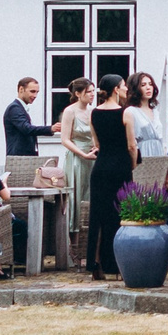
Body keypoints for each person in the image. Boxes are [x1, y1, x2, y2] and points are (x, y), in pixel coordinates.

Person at [84, 76, 132, 280]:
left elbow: (97, 143)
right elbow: (131, 145)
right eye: (123, 86)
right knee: (122, 215)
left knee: (98, 216)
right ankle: (120, 266)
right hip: (120, 166)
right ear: (115, 89)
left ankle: (96, 264)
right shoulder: (126, 112)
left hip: (101, 167)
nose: (127, 89)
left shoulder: (93, 113)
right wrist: (134, 162)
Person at [57, 77, 98, 261]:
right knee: (75, 198)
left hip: (92, 158)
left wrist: (96, 148)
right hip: (76, 159)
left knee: (90, 197)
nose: (92, 95)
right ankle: (73, 247)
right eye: (88, 91)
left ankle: (87, 244)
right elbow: (65, 139)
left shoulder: (92, 112)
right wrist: (82, 154)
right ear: (78, 93)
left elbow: (96, 136)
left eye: (93, 91)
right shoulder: (69, 111)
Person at [2, 77, 52, 160]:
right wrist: (51, 129)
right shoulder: (14, 108)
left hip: (23, 158)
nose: (35, 95)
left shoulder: (19, 108)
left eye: (37, 92)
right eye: (32, 91)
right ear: (21, 89)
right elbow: (27, 128)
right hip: (18, 159)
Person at [127, 72, 168, 160]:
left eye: (150, 84)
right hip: (142, 153)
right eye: (143, 85)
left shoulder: (155, 111)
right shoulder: (131, 111)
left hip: (158, 154)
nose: (148, 87)